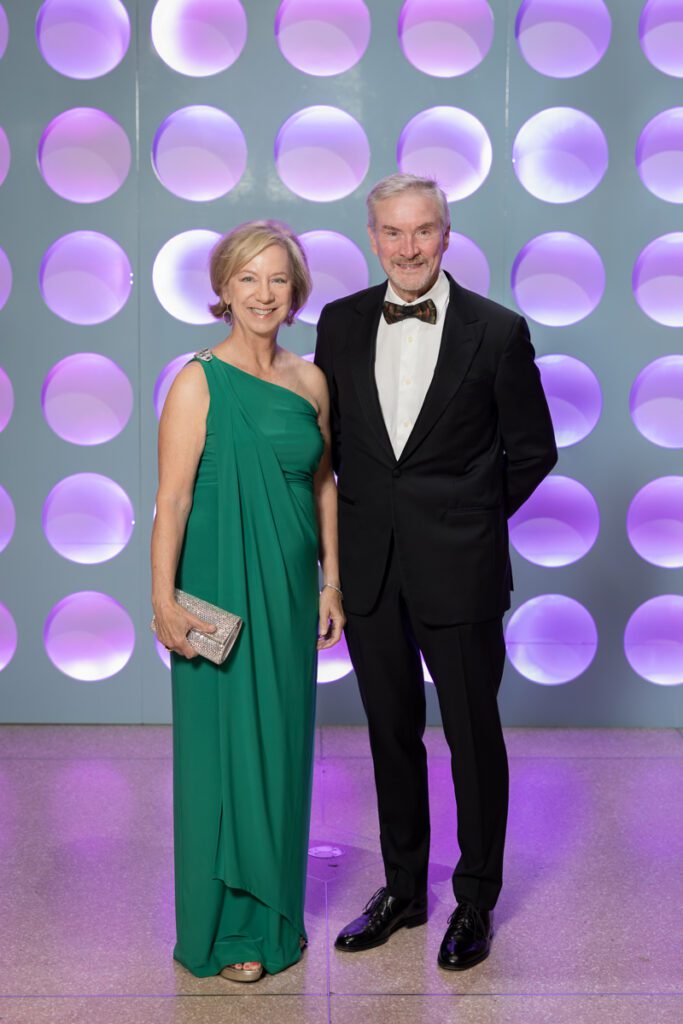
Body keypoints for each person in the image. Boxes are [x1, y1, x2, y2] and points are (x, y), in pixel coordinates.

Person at [314, 173, 557, 971]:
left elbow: (532, 450)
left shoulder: (496, 330)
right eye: (392, 231)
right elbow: (339, 448)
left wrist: (469, 524)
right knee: (389, 737)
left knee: (470, 738)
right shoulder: (341, 323)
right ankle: (403, 892)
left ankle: (475, 902)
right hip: (372, 569)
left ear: (446, 236)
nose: (408, 247)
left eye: (422, 231)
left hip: (460, 568)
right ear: (372, 237)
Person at [151, 220, 344, 983]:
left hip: (291, 589)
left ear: (295, 291)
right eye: (247, 280)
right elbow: (170, 501)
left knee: (282, 751)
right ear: (222, 291)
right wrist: (163, 601)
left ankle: (272, 915)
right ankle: (227, 930)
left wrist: (332, 580)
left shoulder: (311, 380)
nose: (263, 294)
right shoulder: (196, 380)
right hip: (220, 587)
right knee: (221, 758)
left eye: (277, 279)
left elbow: (325, 483)